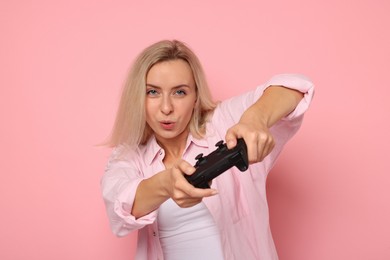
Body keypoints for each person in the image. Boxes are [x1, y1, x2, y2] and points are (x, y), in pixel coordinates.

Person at [101, 39, 314, 260]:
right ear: (138, 98)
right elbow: (121, 208)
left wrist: (255, 119)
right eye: (153, 92)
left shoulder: (223, 122)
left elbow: (295, 86)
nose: (166, 108)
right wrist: (167, 184)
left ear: (195, 97)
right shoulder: (128, 156)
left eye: (180, 92)